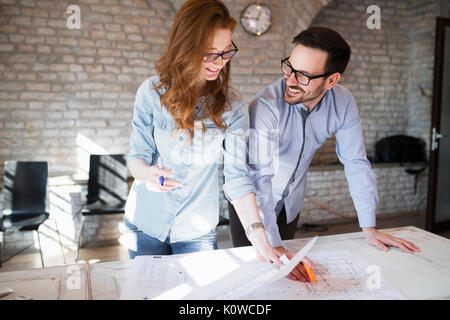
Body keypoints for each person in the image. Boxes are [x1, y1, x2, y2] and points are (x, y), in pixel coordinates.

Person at [228, 26, 420, 281]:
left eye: (304, 75)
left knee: (288, 280)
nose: (291, 80)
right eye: (289, 67)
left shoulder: (343, 103)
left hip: (290, 205)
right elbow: (260, 178)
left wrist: (369, 228)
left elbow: (355, 163)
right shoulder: (265, 106)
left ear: (332, 80)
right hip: (253, 206)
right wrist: (273, 244)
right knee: (253, 276)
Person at [123, 0, 281, 267]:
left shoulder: (234, 107)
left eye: (225, 52)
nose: (218, 62)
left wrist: (260, 238)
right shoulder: (150, 93)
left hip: (196, 232)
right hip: (144, 223)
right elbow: (137, 157)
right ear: (185, 46)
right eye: (209, 53)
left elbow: (237, 179)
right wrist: (147, 174)